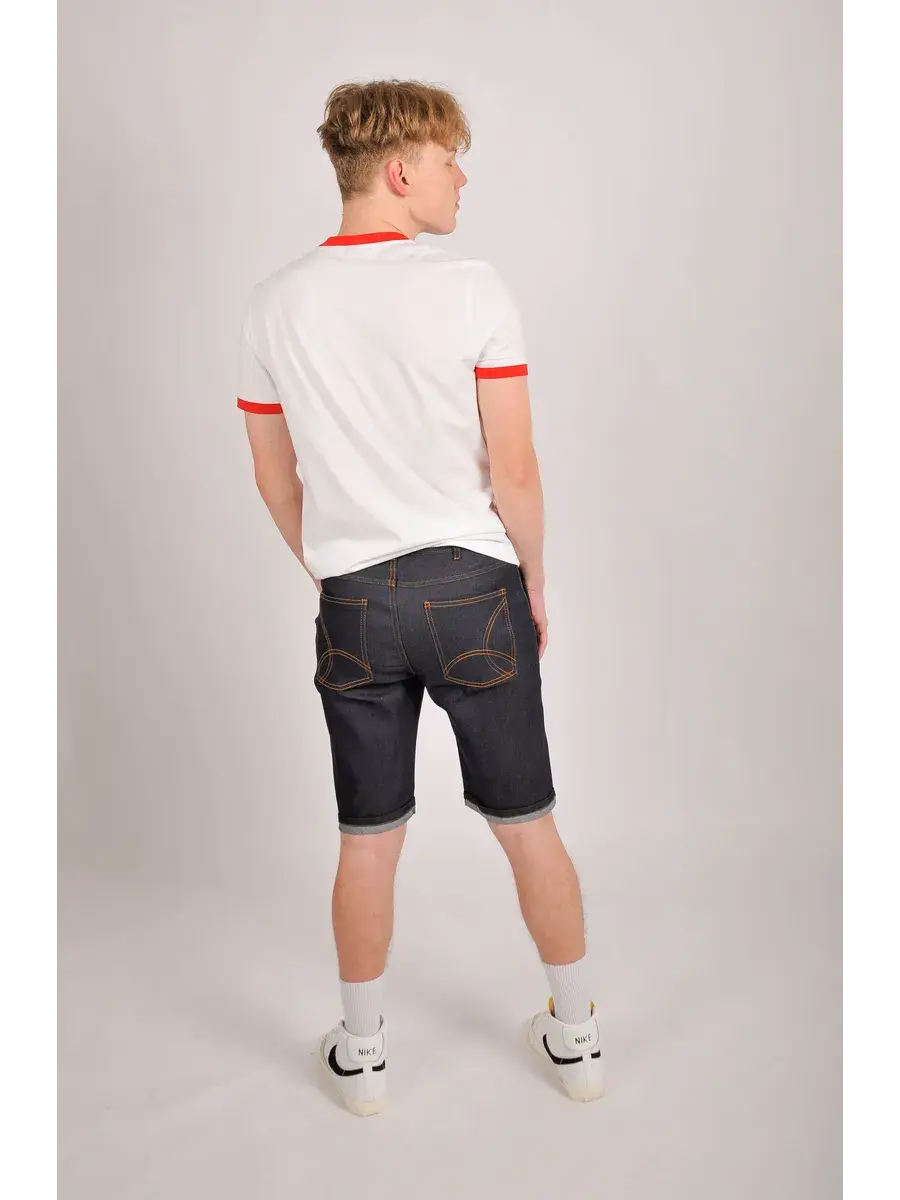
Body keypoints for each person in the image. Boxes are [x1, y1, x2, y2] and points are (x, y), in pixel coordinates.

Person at [236, 79, 603, 1115]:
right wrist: (532, 581)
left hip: (355, 600)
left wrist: (332, 571)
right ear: (401, 171)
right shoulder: (475, 288)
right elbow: (515, 470)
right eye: (450, 159)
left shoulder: (273, 302)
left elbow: (273, 476)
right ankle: (577, 1041)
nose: (462, 177)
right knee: (528, 823)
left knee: (367, 836)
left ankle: (361, 1058)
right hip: (473, 587)